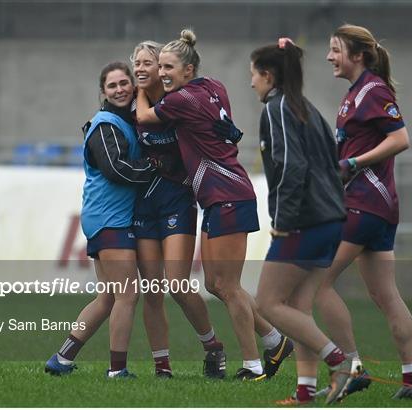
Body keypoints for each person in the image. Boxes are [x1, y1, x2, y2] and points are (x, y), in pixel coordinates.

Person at [136, 29, 293, 381]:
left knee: (230, 287)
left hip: (227, 196)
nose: (162, 72)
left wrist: (142, 88)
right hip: (219, 197)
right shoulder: (214, 86)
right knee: (214, 285)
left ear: (188, 70)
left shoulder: (180, 100)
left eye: (168, 67)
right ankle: (274, 339)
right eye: (158, 66)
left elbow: (144, 118)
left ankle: (254, 365)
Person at [314, 24, 412, 400]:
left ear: (357, 55)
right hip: (375, 207)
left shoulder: (373, 90)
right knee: (385, 295)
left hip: (365, 203)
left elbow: (401, 139)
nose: (329, 57)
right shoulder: (354, 94)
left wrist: (354, 163)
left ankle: (352, 367)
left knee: (317, 282)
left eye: (335, 50)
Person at [250, 38, 358, 405]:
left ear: (267, 75)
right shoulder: (308, 108)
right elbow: (334, 164)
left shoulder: (276, 108)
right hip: (329, 219)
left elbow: (290, 167)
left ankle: (341, 363)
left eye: (254, 75)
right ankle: (305, 392)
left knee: (266, 303)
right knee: (297, 309)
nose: (251, 83)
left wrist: (283, 220)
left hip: (304, 221)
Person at [45, 61, 162, 378]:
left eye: (124, 83)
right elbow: (117, 169)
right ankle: (117, 370)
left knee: (109, 296)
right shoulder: (105, 124)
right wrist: (158, 168)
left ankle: (62, 359)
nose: (120, 89)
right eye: (112, 85)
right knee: (128, 294)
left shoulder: (126, 121)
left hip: (106, 219)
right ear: (103, 92)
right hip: (109, 220)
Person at [130, 40, 228, 379]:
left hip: (178, 200)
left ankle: (213, 346)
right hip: (144, 203)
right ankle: (162, 365)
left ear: (163, 68)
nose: (141, 69)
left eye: (148, 63)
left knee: (177, 283)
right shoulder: (132, 105)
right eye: (137, 64)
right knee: (153, 289)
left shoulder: (179, 102)